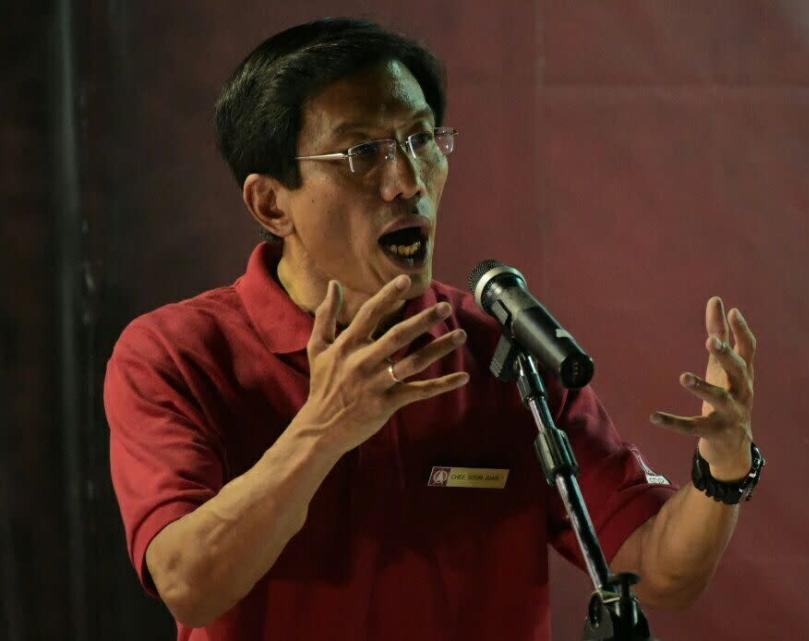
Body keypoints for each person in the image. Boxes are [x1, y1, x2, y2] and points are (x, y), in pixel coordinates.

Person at [104, 17, 763, 641]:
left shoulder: (502, 352)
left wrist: (723, 471)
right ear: (271, 201)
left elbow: (657, 568)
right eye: (364, 152)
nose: (407, 181)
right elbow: (188, 582)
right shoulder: (176, 354)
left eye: (421, 140)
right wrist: (323, 428)